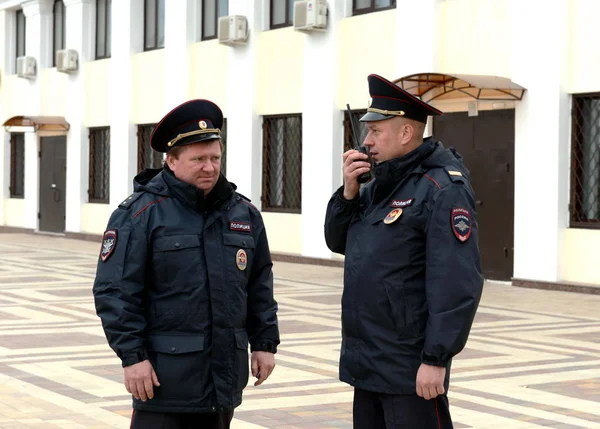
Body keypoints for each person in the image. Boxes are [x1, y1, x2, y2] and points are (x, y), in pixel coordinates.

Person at [92, 99, 280, 429]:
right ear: (172, 160)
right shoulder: (139, 214)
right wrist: (133, 358)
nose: (209, 167)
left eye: (215, 158)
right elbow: (115, 293)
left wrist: (264, 343)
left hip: (222, 379)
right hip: (163, 380)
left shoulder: (243, 214)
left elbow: (259, 284)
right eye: (198, 159)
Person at [324, 74, 484, 429]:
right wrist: (349, 192)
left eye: (375, 131)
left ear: (406, 133)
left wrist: (436, 359)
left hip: (411, 369)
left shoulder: (441, 188)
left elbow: (457, 282)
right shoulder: (378, 184)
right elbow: (338, 242)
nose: (367, 141)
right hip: (368, 362)